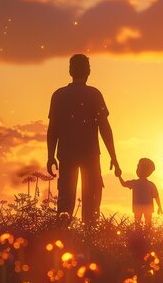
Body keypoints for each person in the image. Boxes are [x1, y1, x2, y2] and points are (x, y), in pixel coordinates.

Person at [46, 54, 121, 223]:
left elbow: (53, 130)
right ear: (88, 71)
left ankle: (62, 238)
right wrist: (114, 157)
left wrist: (51, 155)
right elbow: (105, 128)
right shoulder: (94, 94)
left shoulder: (59, 95)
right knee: (92, 201)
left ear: (70, 71)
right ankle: (89, 238)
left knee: (65, 201)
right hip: (90, 155)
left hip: (66, 154)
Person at [118, 158, 163, 228]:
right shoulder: (150, 184)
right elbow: (156, 196)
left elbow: (123, 184)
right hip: (145, 207)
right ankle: (146, 235)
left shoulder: (135, 183)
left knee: (139, 223)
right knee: (146, 223)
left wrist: (119, 176)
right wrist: (159, 207)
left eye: (139, 167)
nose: (137, 169)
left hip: (138, 207)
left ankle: (140, 235)